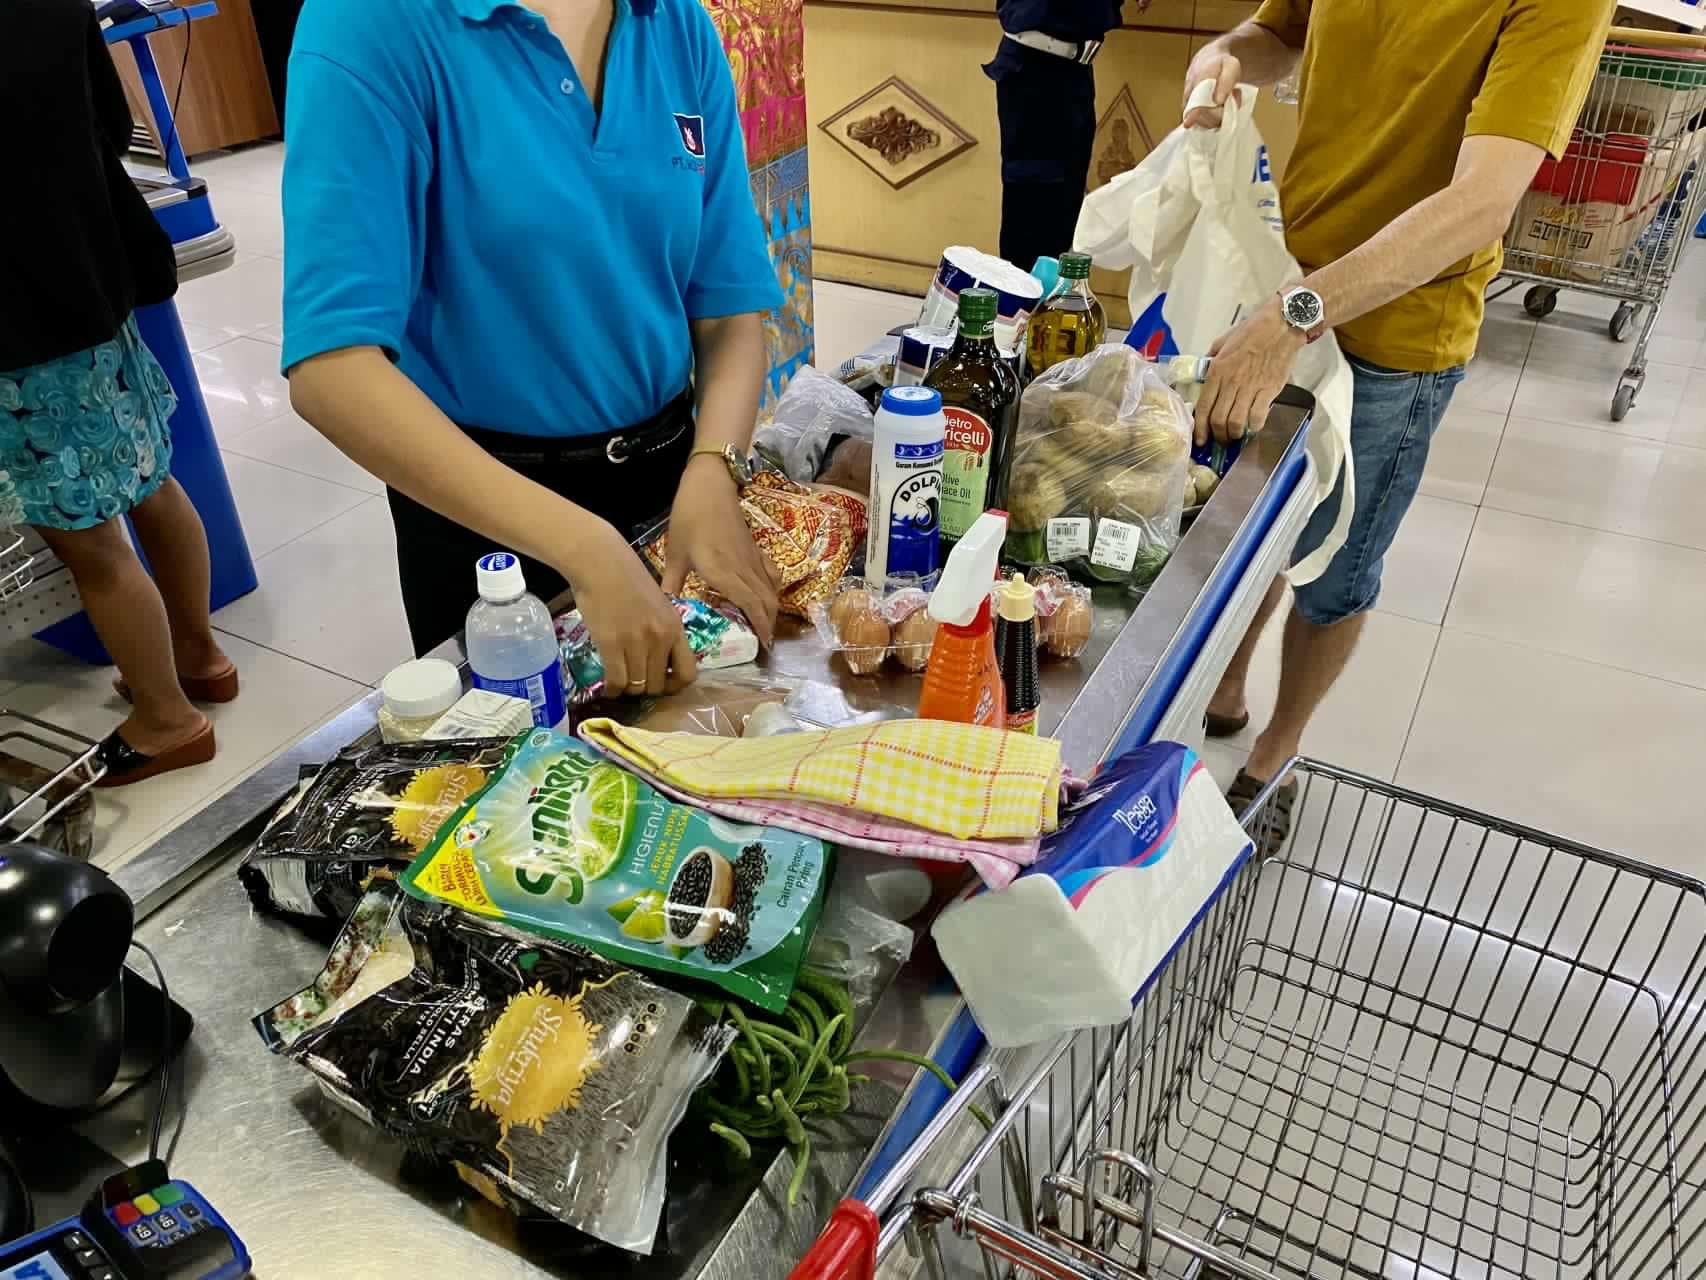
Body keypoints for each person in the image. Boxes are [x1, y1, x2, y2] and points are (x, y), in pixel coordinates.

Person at [1186, 0, 1614, 838]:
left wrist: (1294, 318)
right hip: (1286, 276)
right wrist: (1223, 58)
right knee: (1253, 518)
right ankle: (1229, 684)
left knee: (1337, 564)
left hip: (1396, 332)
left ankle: (1278, 748)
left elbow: (1480, 203)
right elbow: (1279, 32)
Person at [282, 0, 783, 696]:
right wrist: (583, 546)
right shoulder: (371, 23)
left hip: (669, 485)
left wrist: (715, 465)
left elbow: (727, 306)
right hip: (485, 517)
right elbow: (332, 368)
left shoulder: (673, 21)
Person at [1, 0, 237, 787]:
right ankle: (199, 656)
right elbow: (109, 118)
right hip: (92, 276)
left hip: (21, 326)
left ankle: (168, 720)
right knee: (149, 480)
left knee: (88, 539)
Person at [986, 0, 1148, 273]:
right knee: (1032, 217)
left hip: (1076, 69)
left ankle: (1048, 296)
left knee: (1062, 217)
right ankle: (1023, 298)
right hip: (1036, 67)